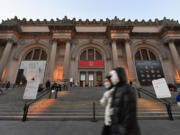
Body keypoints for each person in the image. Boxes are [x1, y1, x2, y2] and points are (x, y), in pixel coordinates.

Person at [109, 67, 141, 135]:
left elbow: (129, 114)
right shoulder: (116, 89)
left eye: (113, 76)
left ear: (119, 75)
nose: (111, 78)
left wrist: (121, 130)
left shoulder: (127, 89)